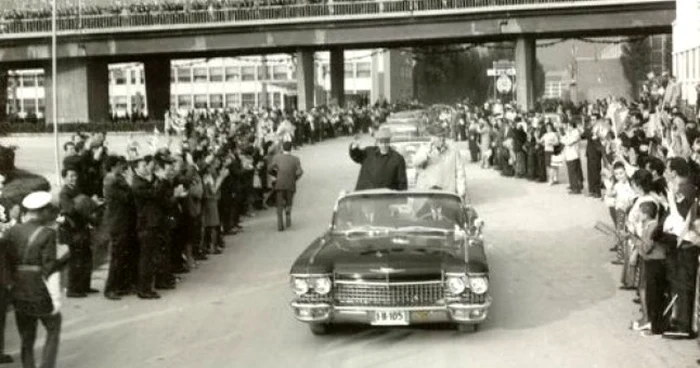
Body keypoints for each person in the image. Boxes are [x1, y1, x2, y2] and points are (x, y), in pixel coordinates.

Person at [5, 191, 70, 368]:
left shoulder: (12, 231)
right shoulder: (47, 234)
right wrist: (56, 299)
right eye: (48, 211)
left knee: (26, 336)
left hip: (19, 292)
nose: (50, 214)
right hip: (39, 292)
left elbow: (7, 262)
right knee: (53, 327)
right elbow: (49, 268)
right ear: (42, 211)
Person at [102, 155, 136, 300]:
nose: (122, 167)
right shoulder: (110, 182)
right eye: (119, 165)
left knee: (123, 255)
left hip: (123, 221)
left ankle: (121, 285)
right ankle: (110, 288)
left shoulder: (118, 179)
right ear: (113, 166)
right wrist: (129, 183)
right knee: (117, 256)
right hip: (117, 222)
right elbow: (126, 197)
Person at [268, 141, 303, 231]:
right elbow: (300, 172)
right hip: (290, 184)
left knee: (279, 204)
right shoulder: (295, 159)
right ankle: (288, 213)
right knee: (289, 200)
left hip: (279, 183)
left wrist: (275, 175)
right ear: (291, 149)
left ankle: (280, 224)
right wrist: (295, 178)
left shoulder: (276, 158)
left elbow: (269, 169)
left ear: (282, 148)